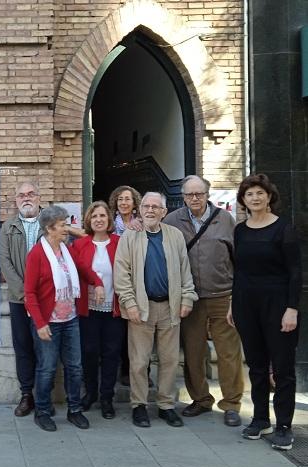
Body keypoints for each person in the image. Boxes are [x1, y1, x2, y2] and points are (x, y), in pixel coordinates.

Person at [227, 173, 302, 451]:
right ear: (243, 200)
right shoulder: (241, 230)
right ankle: (260, 419)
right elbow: (239, 271)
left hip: (279, 305)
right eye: (249, 194)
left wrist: (292, 309)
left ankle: (284, 425)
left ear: (269, 196)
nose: (255, 198)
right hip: (247, 304)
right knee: (256, 366)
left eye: (259, 193)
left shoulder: (284, 228)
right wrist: (233, 304)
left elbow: (295, 273)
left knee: (282, 369)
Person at [164, 175, 244, 427]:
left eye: (199, 194)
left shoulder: (225, 219)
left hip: (223, 296)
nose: (194, 199)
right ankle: (200, 399)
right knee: (193, 351)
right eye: (189, 194)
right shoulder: (173, 220)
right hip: (190, 298)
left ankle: (231, 404)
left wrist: (236, 295)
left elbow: (238, 259)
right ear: (183, 196)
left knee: (228, 353)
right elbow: (151, 235)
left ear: (207, 194)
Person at [114, 192, 197, 428]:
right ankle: (138, 405)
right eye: (146, 206)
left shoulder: (175, 236)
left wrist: (187, 299)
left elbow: (184, 270)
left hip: (169, 307)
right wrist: (129, 303)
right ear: (140, 209)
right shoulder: (130, 236)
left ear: (164, 211)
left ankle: (166, 406)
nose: (150, 211)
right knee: (139, 361)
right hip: (141, 307)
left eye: (155, 207)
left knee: (170, 360)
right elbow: (122, 274)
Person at [24, 205, 104, 432]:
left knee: (74, 367)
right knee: (47, 368)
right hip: (48, 322)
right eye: (62, 225)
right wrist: (39, 323)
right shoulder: (36, 254)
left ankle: (75, 410)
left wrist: (97, 282)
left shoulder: (67, 250)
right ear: (49, 229)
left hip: (70, 320)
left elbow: (82, 269)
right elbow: (29, 293)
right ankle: (42, 411)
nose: (66, 229)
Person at [71, 201, 124, 419]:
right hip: (88, 309)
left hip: (114, 309)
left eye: (102, 215)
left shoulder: (120, 243)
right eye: (94, 217)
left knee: (111, 354)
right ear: (89, 221)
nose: (99, 219)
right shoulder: (79, 245)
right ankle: (91, 392)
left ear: (109, 220)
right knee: (89, 352)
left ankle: (107, 397)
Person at [0, 181, 43, 417]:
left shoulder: (51, 223)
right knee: (23, 346)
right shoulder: (8, 227)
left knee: (45, 347)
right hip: (19, 300)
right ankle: (27, 394)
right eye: (21, 195)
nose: (26, 198)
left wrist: (39, 294)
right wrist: (25, 293)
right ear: (15, 200)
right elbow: (4, 261)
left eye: (31, 193)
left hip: (46, 301)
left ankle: (44, 395)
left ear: (38, 197)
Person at [108, 185, 146, 387]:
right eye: (120, 199)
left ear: (134, 203)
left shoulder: (142, 224)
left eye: (128, 199)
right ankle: (123, 371)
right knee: (121, 331)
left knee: (141, 328)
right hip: (115, 282)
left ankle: (143, 371)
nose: (123, 202)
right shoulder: (108, 224)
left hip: (139, 282)